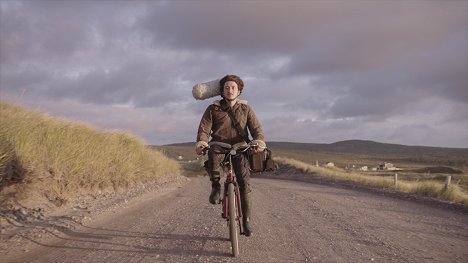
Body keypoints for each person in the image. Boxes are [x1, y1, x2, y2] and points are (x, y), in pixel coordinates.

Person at [195, 74, 266, 237]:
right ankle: (215, 187)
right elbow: (204, 130)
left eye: (233, 87)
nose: (230, 90)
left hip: (240, 147)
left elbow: (256, 129)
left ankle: (246, 221)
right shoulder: (213, 108)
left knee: (244, 182)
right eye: (226, 87)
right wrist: (202, 142)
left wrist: (259, 141)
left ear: (239, 90)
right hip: (219, 145)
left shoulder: (245, 108)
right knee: (212, 155)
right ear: (222, 91)